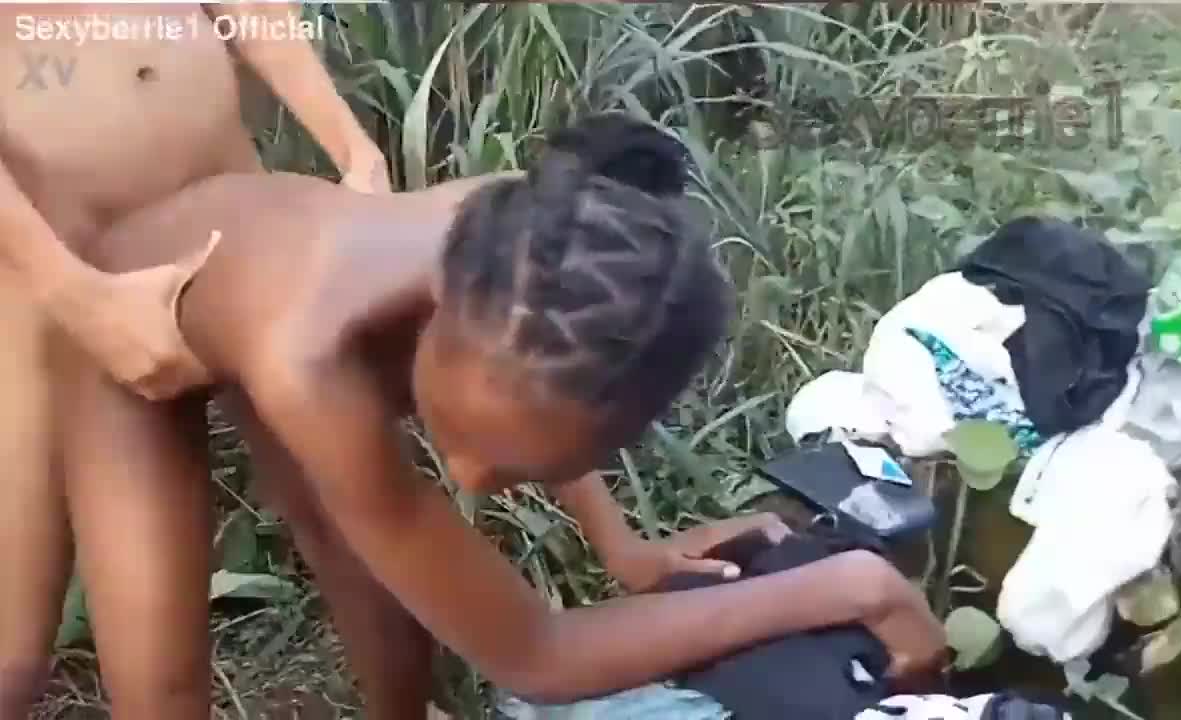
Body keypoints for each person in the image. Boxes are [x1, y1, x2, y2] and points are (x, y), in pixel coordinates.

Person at [59, 114, 946, 717]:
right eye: (459, 437)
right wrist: (842, 585)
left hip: (265, 299)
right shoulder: (313, 361)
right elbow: (535, 657)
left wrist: (624, 548)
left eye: (520, 469)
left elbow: (548, 391)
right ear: (440, 307)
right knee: (160, 687)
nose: (470, 481)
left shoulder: (552, 254)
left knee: (390, 600)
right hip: (132, 306)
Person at [0, 3, 387, 716]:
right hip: (52, 284)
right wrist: (73, 293)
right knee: (13, 647)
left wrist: (355, 150)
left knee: (355, 526)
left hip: (233, 228)